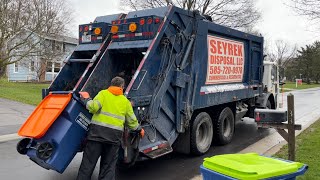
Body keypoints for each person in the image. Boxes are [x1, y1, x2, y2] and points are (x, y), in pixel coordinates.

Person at [77, 76, 143, 180]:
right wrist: (139, 129)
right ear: (122, 86)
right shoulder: (125, 102)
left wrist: (87, 99)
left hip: (96, 136)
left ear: (111, 84)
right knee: (108, 168)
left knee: (87, 165)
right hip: (113, 139)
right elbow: (132, 122)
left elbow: (93, 107)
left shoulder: (103, 94)